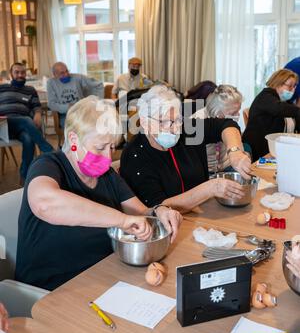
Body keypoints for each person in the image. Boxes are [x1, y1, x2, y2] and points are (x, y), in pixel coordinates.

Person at [15, 96, 182, 291]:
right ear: (74, 140)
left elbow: (140, 212)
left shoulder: (106, 175)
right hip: (51, 289)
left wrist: (159, 211)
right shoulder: (48, 166)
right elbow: (45, 204)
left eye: (112, 147)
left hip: (99, 277)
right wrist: (120, 220)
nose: (108, 157)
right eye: (100, 147)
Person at [120, 85, 252, 214]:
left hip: (203, 212)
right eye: (165, 122)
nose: (175, 128)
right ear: (145, 122)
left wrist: (234, 151)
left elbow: (225, 125)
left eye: (178, 120)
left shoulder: (187, 130)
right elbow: (158, 207)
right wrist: (210, 189)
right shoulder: (135, 155)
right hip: (170, 224)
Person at [0, 62, 53, 182]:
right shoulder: (2, 88)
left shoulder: (30, 90)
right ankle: (48, 150)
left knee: (28, 138)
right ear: (11, 74)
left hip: (22, 128)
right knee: (26, 120)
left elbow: (36, 106)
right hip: (4, 125)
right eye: (16, 72)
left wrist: (38, 113)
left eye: (22, 72)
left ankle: (24, 176)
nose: (20, 75)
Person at [243, 69, 300, 161]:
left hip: (279, 150)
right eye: (290, 86)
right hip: (260, 151)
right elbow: (279, 109)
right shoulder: (265, 97)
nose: (292, 90)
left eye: (294, 87)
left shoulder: (286, 103)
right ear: (278, 83)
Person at [192, 84, 246, 173]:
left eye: (238, 111)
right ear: (217, 112)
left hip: (224, 163)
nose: (237, 116)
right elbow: (195, 161)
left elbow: (236, 148)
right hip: (207, 169)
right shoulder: (197, 122)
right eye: (233, 113)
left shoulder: (226, 120)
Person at [47, 62, 104, 128]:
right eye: (62, 73)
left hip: (82, 112)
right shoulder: (51, 83)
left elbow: (98, 85)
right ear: (55, 75)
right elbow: (51, 104)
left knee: (92, 126)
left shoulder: (78, 78)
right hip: (66, 114)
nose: (66, 74)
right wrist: (68, 107)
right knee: (77, 128)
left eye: (67, 71)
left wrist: (97, 103)